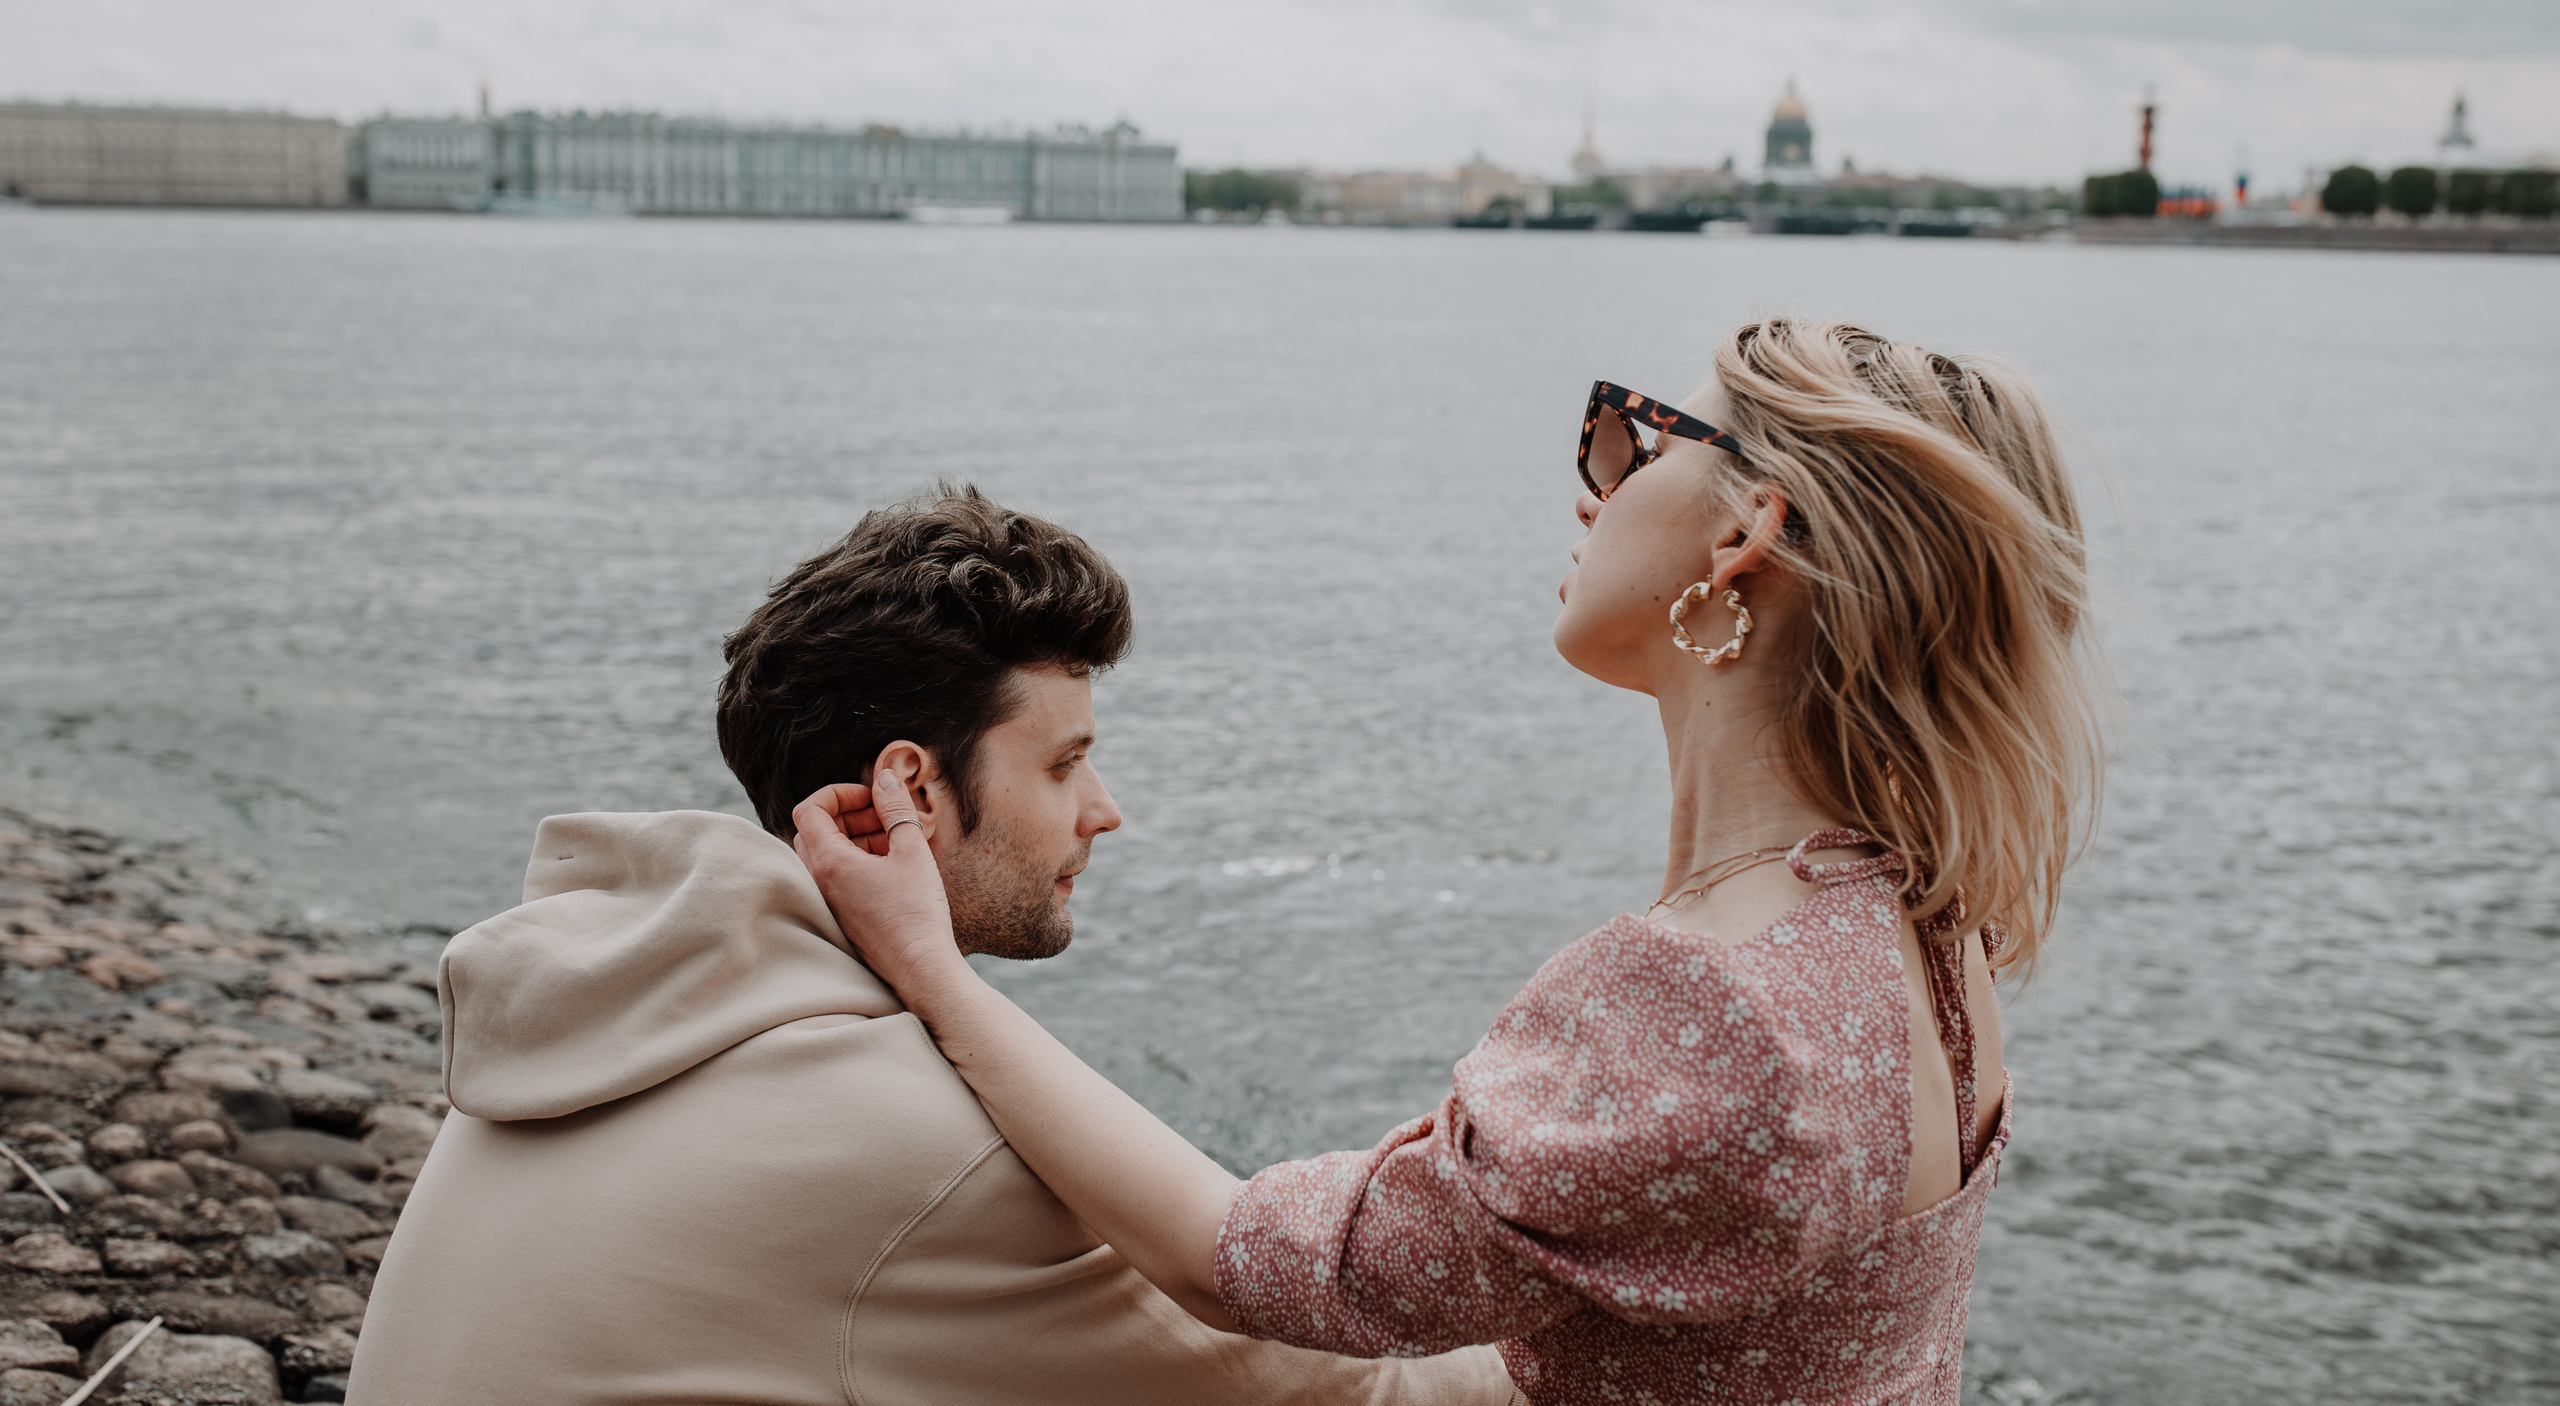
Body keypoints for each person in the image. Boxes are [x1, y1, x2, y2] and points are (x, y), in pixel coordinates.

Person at [797, 320, 2106, 1406]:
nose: (1591, 486)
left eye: (1634, 436)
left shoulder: (1712, 1004)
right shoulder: (1925, 925)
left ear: (1742, 538)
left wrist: (935, 971)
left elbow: (1233, 1257)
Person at [350, 484, 1516, 1406]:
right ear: (909, 786)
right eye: (1063, 762)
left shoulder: (624, 1000)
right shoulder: (905, 1148)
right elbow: (1326, 1391)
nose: (1104, 810)